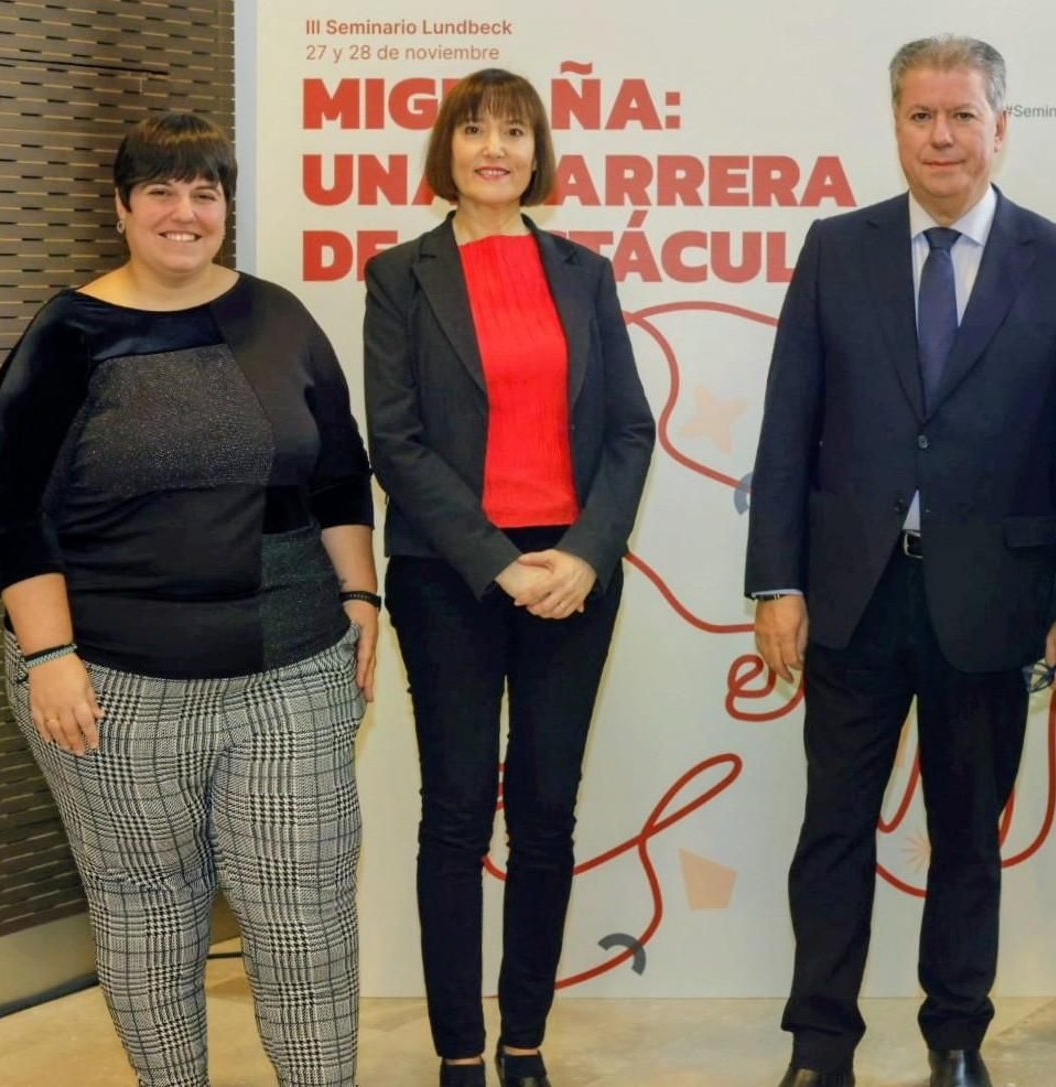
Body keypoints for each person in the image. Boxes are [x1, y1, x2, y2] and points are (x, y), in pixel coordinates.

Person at [745, 35, 1056, 1087]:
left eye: (962, 115)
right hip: (852, 598)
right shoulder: (835, 248)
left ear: (1001, 127)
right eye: (922, 116)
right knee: (831, 831)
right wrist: (775, 583)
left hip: (991, 601)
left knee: (965, 836)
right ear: (896, 126)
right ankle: (819, 1047)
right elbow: (788, 430)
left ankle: (955, 1038)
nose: (942, 136)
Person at [0, 112, 377, 1087]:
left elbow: (338, 476)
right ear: (121, 208)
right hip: (110, 688)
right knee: (146, 905)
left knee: (305, 912)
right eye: (160, 191)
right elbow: (4, 501)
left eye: (204, 193)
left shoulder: (280, 318)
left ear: (226, 208)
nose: (183, 213)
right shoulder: (70, 332)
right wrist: (49, 658)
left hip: (293, 673)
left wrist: (361, 594)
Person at [363, 68, 654, 1087]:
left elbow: (627, 426)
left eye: (516, 132)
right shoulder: (400, 274)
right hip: (448, 573)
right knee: (454, 809)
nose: (496, 148)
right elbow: (393, 442)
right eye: (476, 130)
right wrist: (498, 564)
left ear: (539, 153)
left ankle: (524, 1041)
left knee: (545, 810)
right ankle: (458, 1051)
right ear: (446, 150)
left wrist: (581, 554)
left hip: (573, 571)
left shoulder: (584, 270)